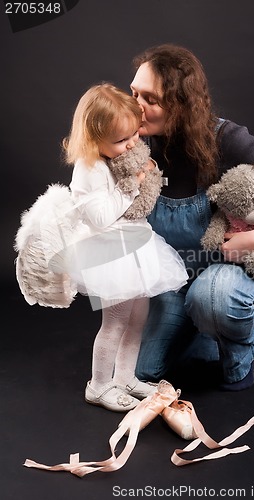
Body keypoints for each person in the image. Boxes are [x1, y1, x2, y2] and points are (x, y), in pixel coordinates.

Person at [130, 44, 254, 391]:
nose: (136, 106)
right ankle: (203, 333)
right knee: (141, 372)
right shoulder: (136, 144)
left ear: (181, 104)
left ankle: (239, 350)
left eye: (150, 99)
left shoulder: (228, 140)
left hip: (239, 272)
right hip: (177, 279)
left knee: (212, 296)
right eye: (134, 92)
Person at [62, 82, 188, 411]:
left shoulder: (119, 157)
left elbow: (137, 203)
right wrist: (133, 186)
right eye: (121, 140)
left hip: (135, 245)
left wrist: (147, 179)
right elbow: (101, 216)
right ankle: (100, 385)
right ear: (93, 139)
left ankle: (125, 378)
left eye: (134, 135)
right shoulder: (87, 169)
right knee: (115, 322)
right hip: (110, 252)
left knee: (137, 319)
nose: (132, 144)